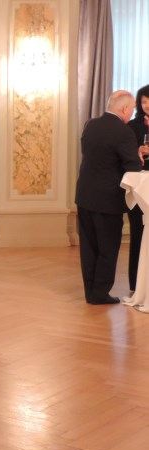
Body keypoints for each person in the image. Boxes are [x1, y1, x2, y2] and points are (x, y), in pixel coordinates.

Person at [75, 90, 145, 305]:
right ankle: (100, 293)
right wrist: (138, 156)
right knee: (108, 248)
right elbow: (132, 167)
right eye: (132, 109)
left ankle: (91, 292)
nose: (132, 113)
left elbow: (95, 155)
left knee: (88, 247)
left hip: (85, 195)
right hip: (108, 200)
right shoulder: (123, 132)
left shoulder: (90, 124)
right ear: (124, 109)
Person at [126, 85, 149, 292]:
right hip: (138, 185)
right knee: (137, 233)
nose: (146, 105)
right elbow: (123, 153)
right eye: (143, 101)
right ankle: (135, 284)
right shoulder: (132, 126)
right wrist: (137, 150)